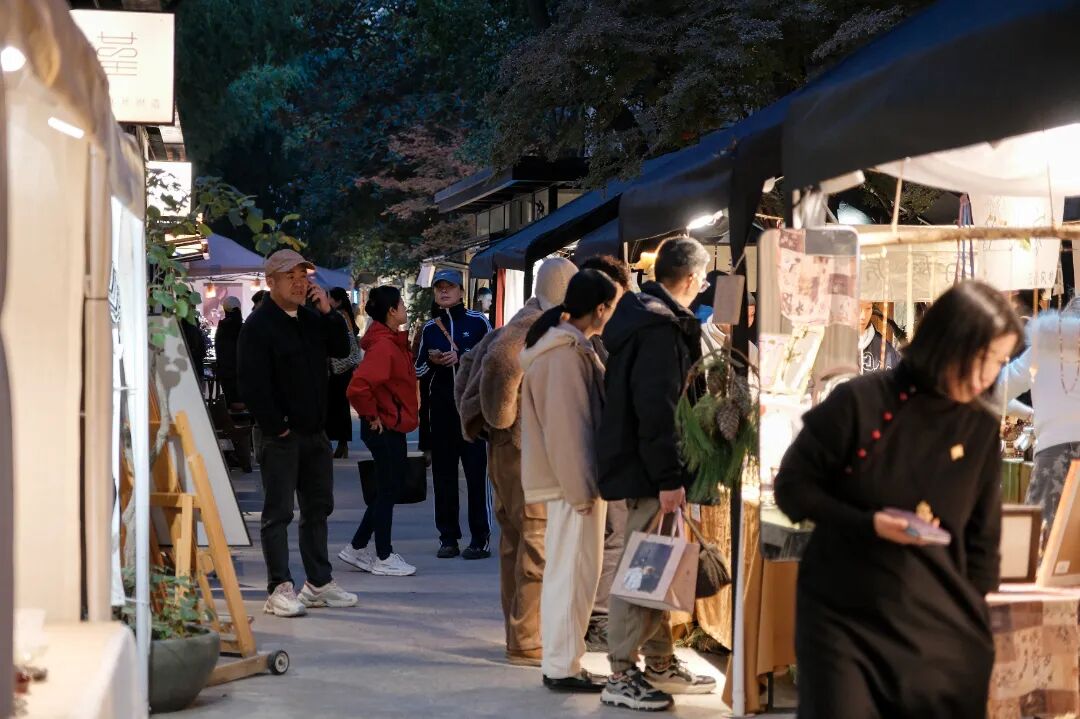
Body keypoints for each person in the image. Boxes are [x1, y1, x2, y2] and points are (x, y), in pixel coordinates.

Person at [774, 280, 1020, 719]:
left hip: (935, 621)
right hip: (845, 615)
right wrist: (868, 523)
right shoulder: (860, 401)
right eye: (985, 358)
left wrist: (976, 622)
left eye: (1000, 362)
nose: (989, 376)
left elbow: (982, 543)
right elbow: (792, 489)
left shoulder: (979, 426)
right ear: (948, 342)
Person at [597, 237, 717, 711]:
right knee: (643, 568)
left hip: (645, 464)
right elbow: (658, 409)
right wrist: (669, 477)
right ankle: (621, 673)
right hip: (651, 470)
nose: (705, 285)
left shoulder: (645, 316)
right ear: (690, 278)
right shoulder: (658, 328)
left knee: (657, 563)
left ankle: (660, 660)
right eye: (704, 278)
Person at [454, 257, 577, 667]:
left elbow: (469, 364)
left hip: (510, 450)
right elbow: (499, 363)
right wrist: (501, 417)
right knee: (536, 542)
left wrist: (483, 420)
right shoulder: (533, 326)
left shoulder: (517, 324)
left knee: (516, 540)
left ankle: (519, 631)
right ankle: (526, 638)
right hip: (523, 450)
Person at [238, 249, 358, 617]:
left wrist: (328, 311)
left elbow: (342, 348)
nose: (299, 283)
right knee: (278, 513)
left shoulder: (310, 318)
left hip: (315, 432)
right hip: (281, 436)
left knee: (318, 508)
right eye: (290, 276)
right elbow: (252, 384)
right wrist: (278, 426)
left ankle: (318, 582)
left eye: (303, 276)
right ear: (270, 281)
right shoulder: (258, 326)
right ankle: (279, 587)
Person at [520, 269, 618, 693]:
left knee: (573, 574)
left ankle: (565, 661)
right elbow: (567, 432)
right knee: (572, 574)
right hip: (572, 486)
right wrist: (581, 492)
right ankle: (562, 665)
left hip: (573, 483)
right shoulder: (563, 355)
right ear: (600, 308)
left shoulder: (566, 349)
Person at [340, 286, 419, 578]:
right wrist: (372, 415)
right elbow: (357, 388)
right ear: (391, 311)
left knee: (388, 490)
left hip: (390, 424)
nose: (405, 308)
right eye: (402, 304)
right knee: (388, 491)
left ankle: (357, 547)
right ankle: (383, 555)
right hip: (385, 426)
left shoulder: (389, 342)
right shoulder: (385, 346)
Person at [415, 269, 493, 559]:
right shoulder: (429, 329)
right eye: (439, 288)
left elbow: (493, 360)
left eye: (449, 287)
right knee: (443, 476)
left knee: (476, 475)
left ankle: (480, 539)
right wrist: (434, 361)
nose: (444, 292)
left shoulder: (478, 321)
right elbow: (418, 369)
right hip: (441, 412)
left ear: (461, 291)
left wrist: (463, 357)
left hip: (472, 412)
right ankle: (448, 538)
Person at [579, 254, 633, 650]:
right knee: (614, 534)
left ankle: (593, 616)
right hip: (598, 454)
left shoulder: (578, 336)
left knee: (609, 535)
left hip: (594, 453)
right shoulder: (584, 340)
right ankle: (597, 618)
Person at [998, 296, 1080, 543]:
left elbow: (998, 390)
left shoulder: (1041, 350)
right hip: (1053, 453)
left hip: (1053, 456)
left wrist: (1029, 413)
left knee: (1041, 543)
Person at [326, 287, 362, 458]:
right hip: (345, 366)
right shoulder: (347, 315)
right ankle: (342, 443)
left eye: (329, 298)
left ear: (337, 301)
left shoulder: (337, 316)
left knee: (335, 405)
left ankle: (340, 443)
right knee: (341, 405)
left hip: (337, 365)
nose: (327, 301)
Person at [215, 296, 244, 407]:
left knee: (230, 402)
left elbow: (219, 349)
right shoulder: (243, 328)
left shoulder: (223, 327)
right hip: (241, 371)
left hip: (226, 371)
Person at [859, 300, 901, 373]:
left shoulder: (884, 347)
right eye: (858, 308)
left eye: (868, 308)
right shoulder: (837, 343)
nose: (863, 316)